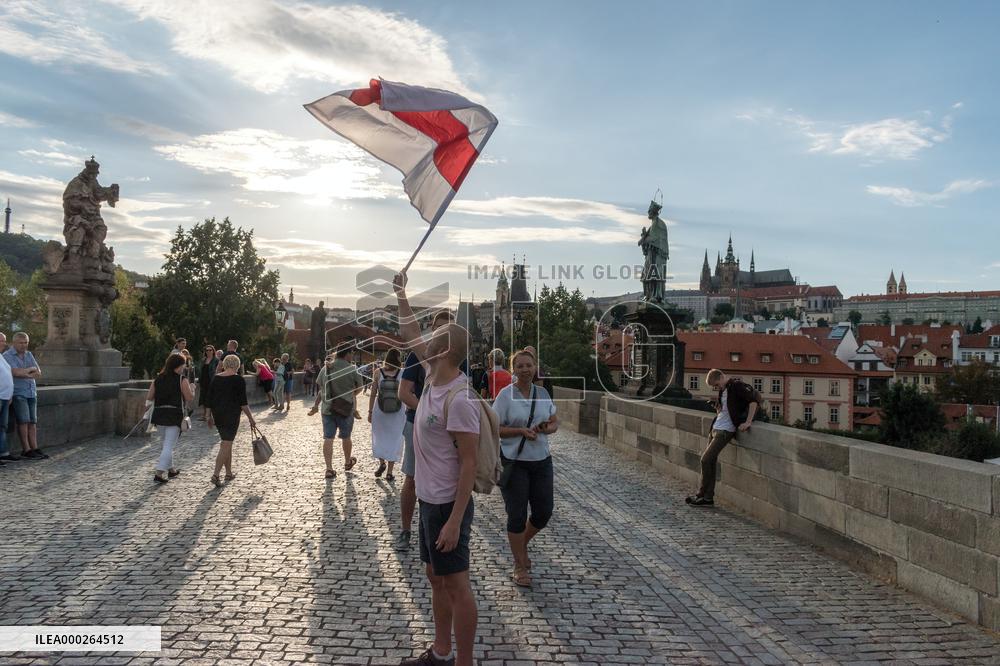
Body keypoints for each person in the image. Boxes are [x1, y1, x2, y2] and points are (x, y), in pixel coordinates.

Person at [395, 272, 479, 666]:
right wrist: (401, 294)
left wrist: (455, 521)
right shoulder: (432, 375)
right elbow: (411, 331)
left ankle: (463, 662)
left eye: (434, 339)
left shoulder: (460, 399)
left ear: (444, 350)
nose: (425, 342)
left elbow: (469, 464)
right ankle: (441, 651)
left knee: (457, 584)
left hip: (448, 504)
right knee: (435, 576)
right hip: (429, 500)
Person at [396, 310, 463, 552]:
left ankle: (446, 526)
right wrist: (429, 409)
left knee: (449, 477)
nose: (445, 335)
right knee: (412, 479)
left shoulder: (458, 359)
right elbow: (403, 393)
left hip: (447, 428)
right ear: (433, 331)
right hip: (417, 423)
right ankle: (405, 530)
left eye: (450, 329)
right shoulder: (419, 357)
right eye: (441, 329)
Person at [493, 349, 557, 588]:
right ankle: (519, 566)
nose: (525, 369)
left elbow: (554, 420)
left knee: (543, 512)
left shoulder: (542, 393)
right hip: (514, 460)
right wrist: (520, 431)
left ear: (535, 366)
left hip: (541, 460)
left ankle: (521, 544)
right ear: (513, 369)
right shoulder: (505, 396)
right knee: (517, 515)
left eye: (528, 365)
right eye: (519, 366)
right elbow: (495, 428)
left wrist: (547, 428)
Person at [686, 369, 763, 507]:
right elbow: (727, 409)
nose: (717, 388)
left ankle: (701, 493)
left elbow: (753, 401)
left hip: (725, 430)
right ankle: (708, 498)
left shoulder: (737, 386)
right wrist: (718, 409)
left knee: (705, 459)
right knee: (711, 462)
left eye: (717, 385)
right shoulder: (723, 390)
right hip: (716, 426)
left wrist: (748, 422)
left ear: (722, 377)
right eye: (715, 387)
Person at [309, 345, 363, 479]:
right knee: (346, 437)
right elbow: (360, 387)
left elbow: (321, 387)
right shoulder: (352, 369)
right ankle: (346, 462)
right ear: (347, 353)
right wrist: (350, 394)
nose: (353, 355)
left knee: (328, 438)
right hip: (345, 408)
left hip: (328, 409)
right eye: (352, 353)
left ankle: (329, 468)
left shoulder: (326, 368)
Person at [206, 354, 256, 487]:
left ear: (225, 364)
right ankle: (216, 475)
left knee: (227, 442)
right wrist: (251, 418)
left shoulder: (216, 378)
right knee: (226, 444)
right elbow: (243, 403)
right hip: (231, 415)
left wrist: (208, 416)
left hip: (218, 415)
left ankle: (228, 472)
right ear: (237, 366)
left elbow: (209, 400)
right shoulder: (238, 380)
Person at [146, 353, 194, 483]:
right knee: (169, 445)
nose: (184, 367)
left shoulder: (158, 378)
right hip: (174, 415)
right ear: (179, 365)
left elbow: (149, 397)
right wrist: (192, 390)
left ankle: (171, 470)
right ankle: (159, 473)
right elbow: (189, 398)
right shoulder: (181, 379)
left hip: (159, 414)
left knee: (166, 444)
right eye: (183, 364)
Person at [3, 332, 46, 459]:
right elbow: (15, 372)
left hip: (31, 391)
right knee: (23, 421)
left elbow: (38, 372)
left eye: (26, 343)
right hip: (18, 392)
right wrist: (28, 371)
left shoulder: (29, 354)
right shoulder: (7, 355)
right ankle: (26, 449)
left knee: (33, 421)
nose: (24, 345)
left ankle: (35, 447)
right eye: (21, 343)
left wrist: (26, 373)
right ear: (14, 343)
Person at [368, 348, 405, 482]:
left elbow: (373, 394)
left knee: (380, 437)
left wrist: (370, 411)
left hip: (380, 411)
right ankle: (389, 472)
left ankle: (381, 462)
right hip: (398, 411)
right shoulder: (402, 373)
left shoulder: (378, 372)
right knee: (394, 439)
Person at [0, 332, 18, 464]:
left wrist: (9, 394)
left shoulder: (1, 357)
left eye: (4, 341)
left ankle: (3, 453)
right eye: (1, 341)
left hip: (5, 397)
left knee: (2, 426)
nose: (4, 343)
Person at [198, 345, 218, 421]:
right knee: (203, 398)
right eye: (207, 350)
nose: (208, 351)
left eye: (210, 350)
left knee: (211, 398)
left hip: (211, 381)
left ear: (213, 351)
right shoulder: (203, 360)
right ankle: (204, 415)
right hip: (203, 381)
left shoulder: (216, 360)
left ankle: (211, 416)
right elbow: (201, 371)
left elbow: (218, 371)